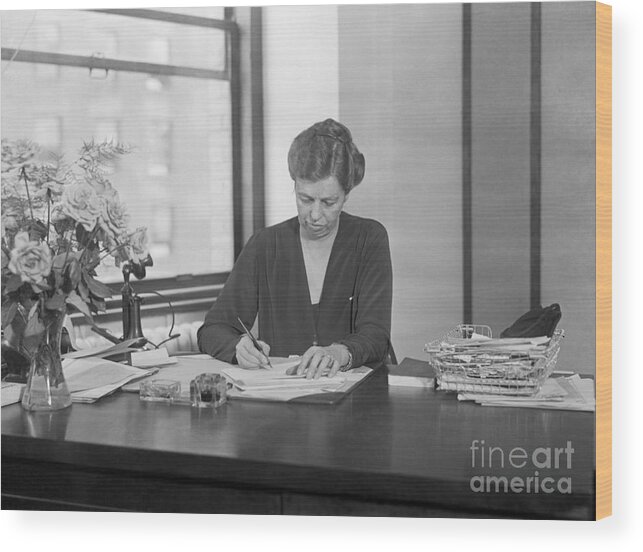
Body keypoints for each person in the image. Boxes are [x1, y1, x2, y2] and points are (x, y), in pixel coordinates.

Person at [197, 119, 392, 378]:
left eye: (329, 202)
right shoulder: (265, 246)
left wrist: (339, 353)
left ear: (347, 194)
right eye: (305, 199)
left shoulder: (368, 238)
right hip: (286, 399)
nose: (315, 214)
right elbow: (212, 330)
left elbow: (376, 335)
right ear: (295, 186)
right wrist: (238, 347)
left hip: (359, 398)